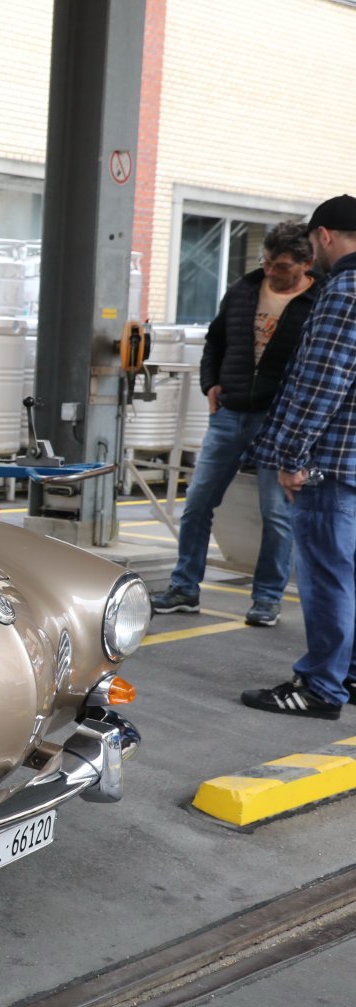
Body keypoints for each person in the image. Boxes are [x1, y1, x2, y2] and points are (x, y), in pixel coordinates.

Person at [150, 221, 319, 626]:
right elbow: (215, 340)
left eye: (281, 266)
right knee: (197, 503)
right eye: (266, 262)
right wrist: (210, 383)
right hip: (229, 414)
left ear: (306, 263)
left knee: (276, 514)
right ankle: (184, 588)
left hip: (279, 421)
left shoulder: (320, 300)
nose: (270, 272)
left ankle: (267, 598)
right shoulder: (245, 289)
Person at [243, 195, 356, 718]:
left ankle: (319, 688)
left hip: (330, 463)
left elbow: (321, 383)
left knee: (328, 576)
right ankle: (347, 674)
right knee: (349, 575)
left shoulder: (345, 291)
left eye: (313, 241)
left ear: (324, 235)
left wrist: (292, 456)